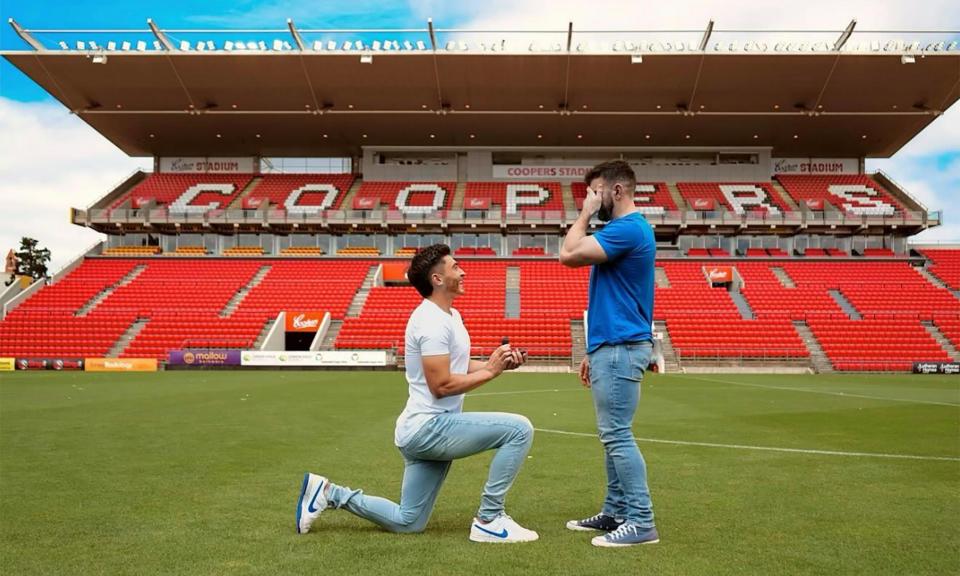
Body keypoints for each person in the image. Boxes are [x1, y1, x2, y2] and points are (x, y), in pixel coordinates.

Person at [296, 244, 538, 543]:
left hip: (422, 430)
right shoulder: (431, 321)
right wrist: (490, 372)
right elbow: (442, 386)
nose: (462, 271)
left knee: (408, 522)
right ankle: (490, 518)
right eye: (454, 267)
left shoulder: (450, 316)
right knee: (519, 429)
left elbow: (458, 366)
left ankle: (329, 493)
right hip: (429, 428)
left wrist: (496, 364)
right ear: (437, 279)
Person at [559, 160, 659, 547]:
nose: (591, 199)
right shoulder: (625, 230)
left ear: (617, 191)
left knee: (616, 435)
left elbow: (567, 254)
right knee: (612, 434)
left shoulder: (627, 229)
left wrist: (583, 214)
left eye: (595, 191)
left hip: (620, 347)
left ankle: (641, 520)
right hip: (611, 345)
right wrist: (592, 349)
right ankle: (617, 510)